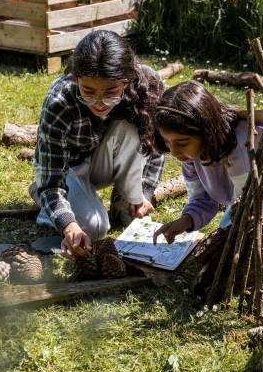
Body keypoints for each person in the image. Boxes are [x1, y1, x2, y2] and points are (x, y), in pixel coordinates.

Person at [31, 30, 164, 258]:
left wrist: (146, 190)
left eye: (111, 92)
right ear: (76, 79)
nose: (99, 103)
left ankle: (126, 202)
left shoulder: (148, 84)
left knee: (133, 126)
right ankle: (41, 196)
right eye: (88, 91)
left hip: (112, 161)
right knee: (94, 229)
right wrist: (68, 225)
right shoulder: (59, 101)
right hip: (72, 170)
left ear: (127, 79)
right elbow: (52, 179)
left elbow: (157, 144)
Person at [152, 80, 263, 244]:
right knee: (229, 231)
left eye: (181, 143)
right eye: (168, 142)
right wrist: (186, 220)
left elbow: (249, 207)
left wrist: (232, 234)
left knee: (229, 231)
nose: (174, 152)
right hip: (257, 189)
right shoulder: (190, 152)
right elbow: (202, 199)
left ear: (207, 133)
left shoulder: (242, 143)